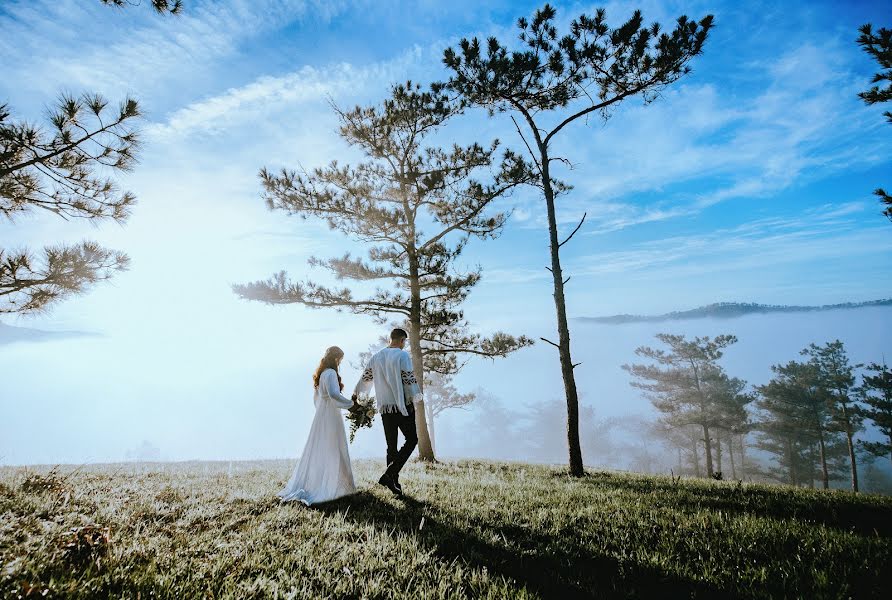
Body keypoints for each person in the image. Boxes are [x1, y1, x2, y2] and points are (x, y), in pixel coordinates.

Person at [278, 346, 357, 505]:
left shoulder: (321, 374)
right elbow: (334, 395)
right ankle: (338, 486)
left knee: (323, 449)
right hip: (331, 416)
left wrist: (322, 411)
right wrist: (351, 404)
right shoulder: (332, 373)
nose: (340, 362)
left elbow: (317, 399)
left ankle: (330, 483)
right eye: (340, 359)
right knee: (336, 448)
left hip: (322, 416)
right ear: (336, 358)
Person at [352, 328, 421, 495]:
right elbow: (407, 379)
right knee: (412, 440)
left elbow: (366, 379)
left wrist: (356, 395)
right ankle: (390, 474)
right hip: (401, 405)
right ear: (401, 340)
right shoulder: (402, 355)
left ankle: (394, 483)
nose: (404, 346)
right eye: (404, 342)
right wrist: (415, 397)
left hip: (385, 407)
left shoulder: (376, 357)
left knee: (392, 446)